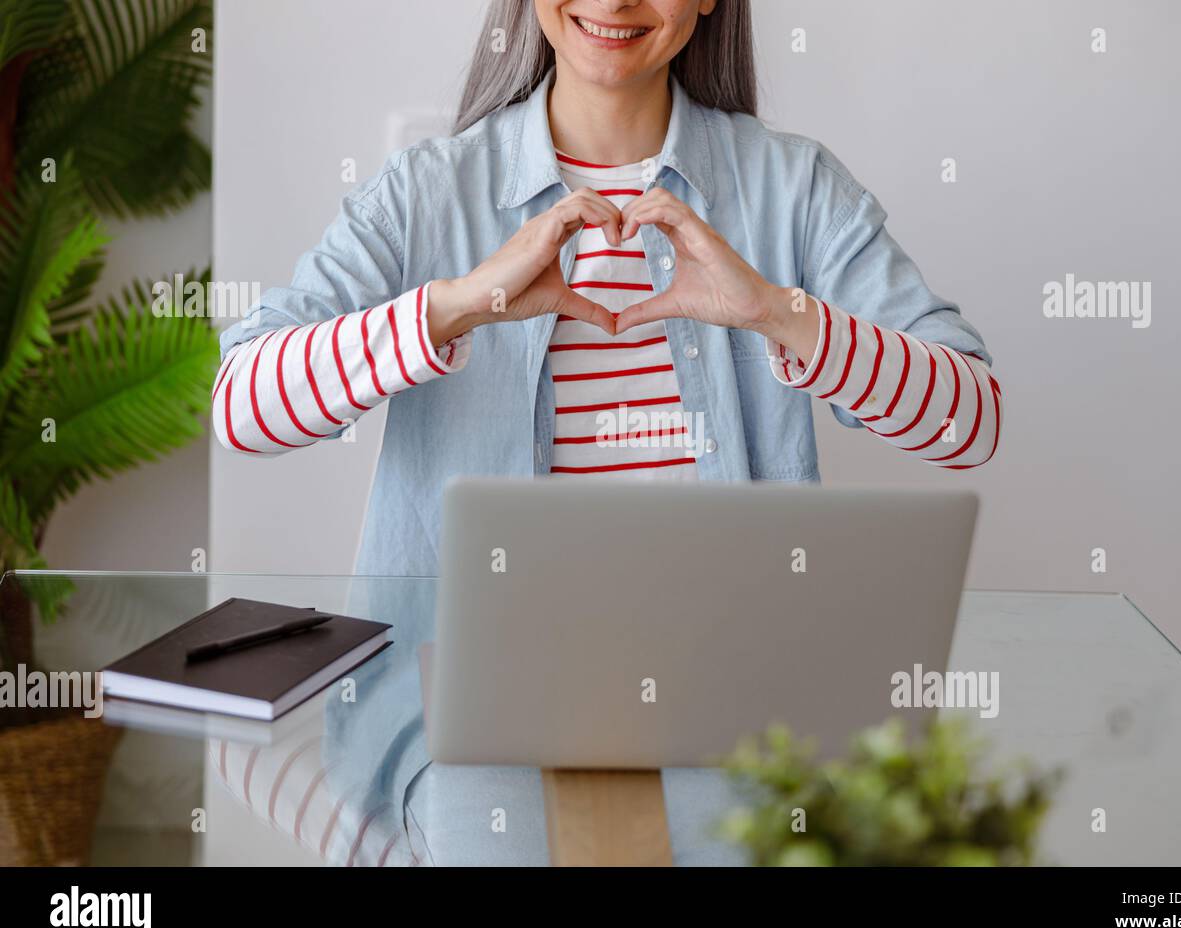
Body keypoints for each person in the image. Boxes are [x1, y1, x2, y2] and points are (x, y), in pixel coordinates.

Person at [214, 0, 1001, 581]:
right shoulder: (425, 192)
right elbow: (242, 408)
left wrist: (775, 311)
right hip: (457, 703)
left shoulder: (795, 188)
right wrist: (456, 305)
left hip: (730, 698)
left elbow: (969, 424)